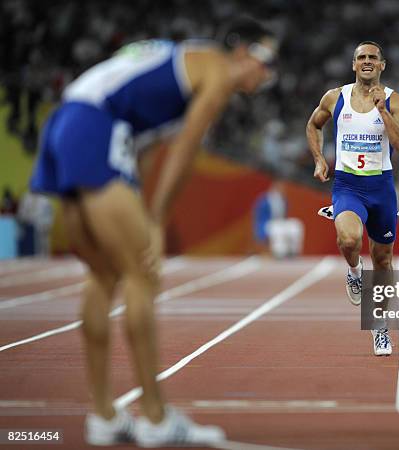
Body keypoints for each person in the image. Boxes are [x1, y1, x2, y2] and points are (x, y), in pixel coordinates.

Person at [29, 18, 277, 447]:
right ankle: (157, 418)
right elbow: (185, 150)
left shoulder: (179, 63)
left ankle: (105, 415)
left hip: (69, 122)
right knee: (143, 273)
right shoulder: (216, 70)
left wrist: (140, 207)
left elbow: (138, 153)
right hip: (95, 126)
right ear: (240, 51)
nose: (267, 73)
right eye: (264, 59)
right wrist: (156, 221)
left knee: (104, 276)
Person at [306, 41, 399, 356]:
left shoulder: (396, 101)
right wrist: (319, 159)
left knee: (383, 260)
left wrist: (382, 111)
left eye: (372, 58)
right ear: (354, 64)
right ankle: (354, 272)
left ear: (382, 65)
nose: (367, 62)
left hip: (381, 189)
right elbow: (313, 125)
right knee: (348, 240)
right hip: (347, 186)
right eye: (361, 57)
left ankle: (379, 327)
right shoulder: (335, 97)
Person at [252, 181, 304, 258]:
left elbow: (285, 215)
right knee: (277, 230)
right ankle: (279, 253)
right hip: (267, 223)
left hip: (280, 222)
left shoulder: (283, 200)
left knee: (296, 225)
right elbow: (259, 216)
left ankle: (293, 251)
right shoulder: (264, 200)